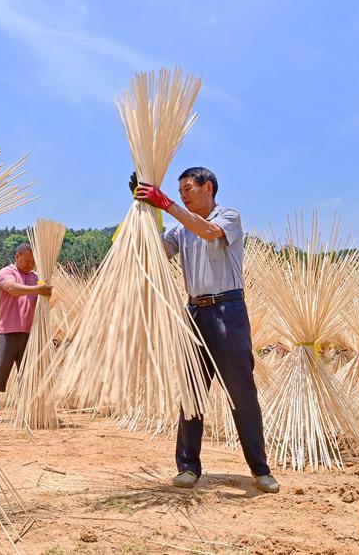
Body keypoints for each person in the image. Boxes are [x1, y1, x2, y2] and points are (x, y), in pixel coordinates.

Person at [131, 167, 280, 493]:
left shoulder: (228, 216)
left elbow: (210, 232)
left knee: (241, 392)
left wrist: (167, 204)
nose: (183, 194)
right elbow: (149, 253)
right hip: (195, 311)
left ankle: (260, 468)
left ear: (207, 187)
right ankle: (188, 467)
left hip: (228, 311)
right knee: (192, 392)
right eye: (179, 190)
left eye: (188, 188)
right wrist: (142, 210)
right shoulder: (178, 230)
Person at [0, 242, 52, 421]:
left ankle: (28, 412)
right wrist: (38, 289)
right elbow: (12, 289)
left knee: (29, 376)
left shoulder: (36, 278)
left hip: (29, 334)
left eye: (33, 261)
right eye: (27, 260)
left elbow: (44, 297)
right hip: (7, 331)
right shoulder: (7, 272)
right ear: (17, 256)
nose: (30, 264)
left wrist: (44, 290)